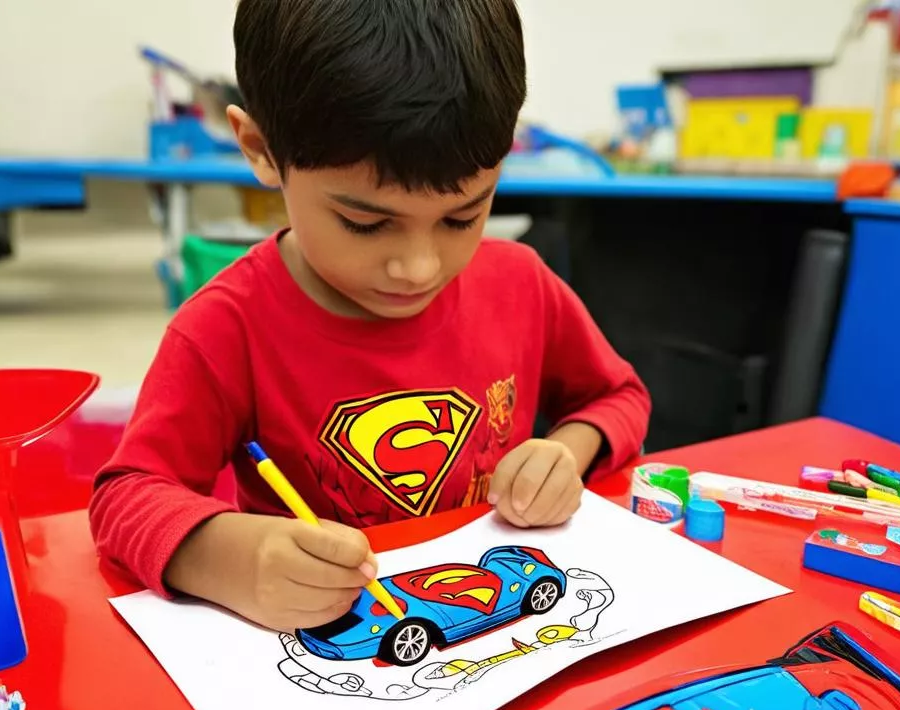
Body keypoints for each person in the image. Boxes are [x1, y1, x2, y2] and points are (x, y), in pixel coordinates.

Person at [90, 0, 651, 634]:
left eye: (462, 217)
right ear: (261, 150)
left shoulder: (520, 283)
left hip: (496, 623)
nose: (417, 267)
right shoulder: (227, 326)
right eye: (364, 222)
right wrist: (227, 559)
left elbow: (618, 397)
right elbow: (125, 497)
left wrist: (567, 453)